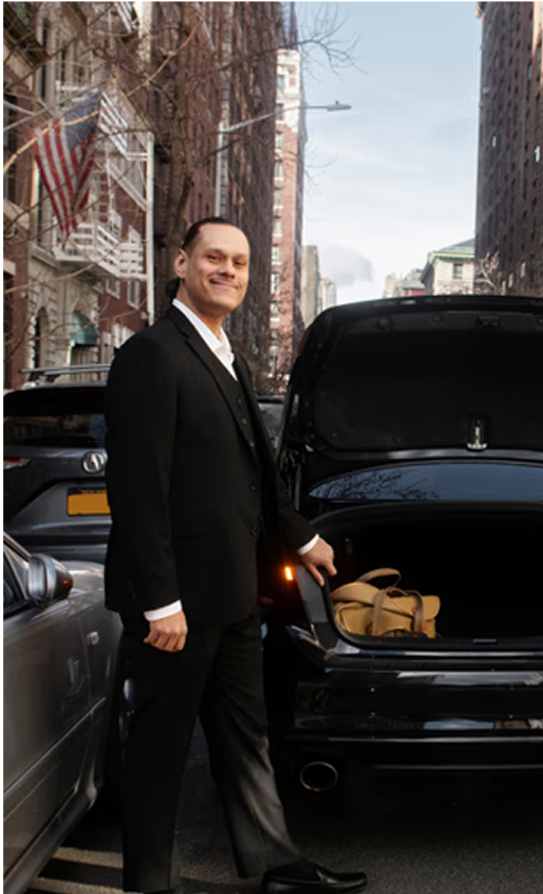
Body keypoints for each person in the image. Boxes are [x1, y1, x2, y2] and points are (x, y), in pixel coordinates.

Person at [104, 217, 367, 894]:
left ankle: (277, 865)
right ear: (183, 263)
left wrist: (301, 536)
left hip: (232, 593)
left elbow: (252, 469)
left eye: (240, 262)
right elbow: (137, 492)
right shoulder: (151, 356)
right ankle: (147, 884)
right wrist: (160, 600)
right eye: (214, 258)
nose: (228, 270)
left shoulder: (227, 355)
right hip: (176, 605)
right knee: (159, 751)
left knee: (246, 738)